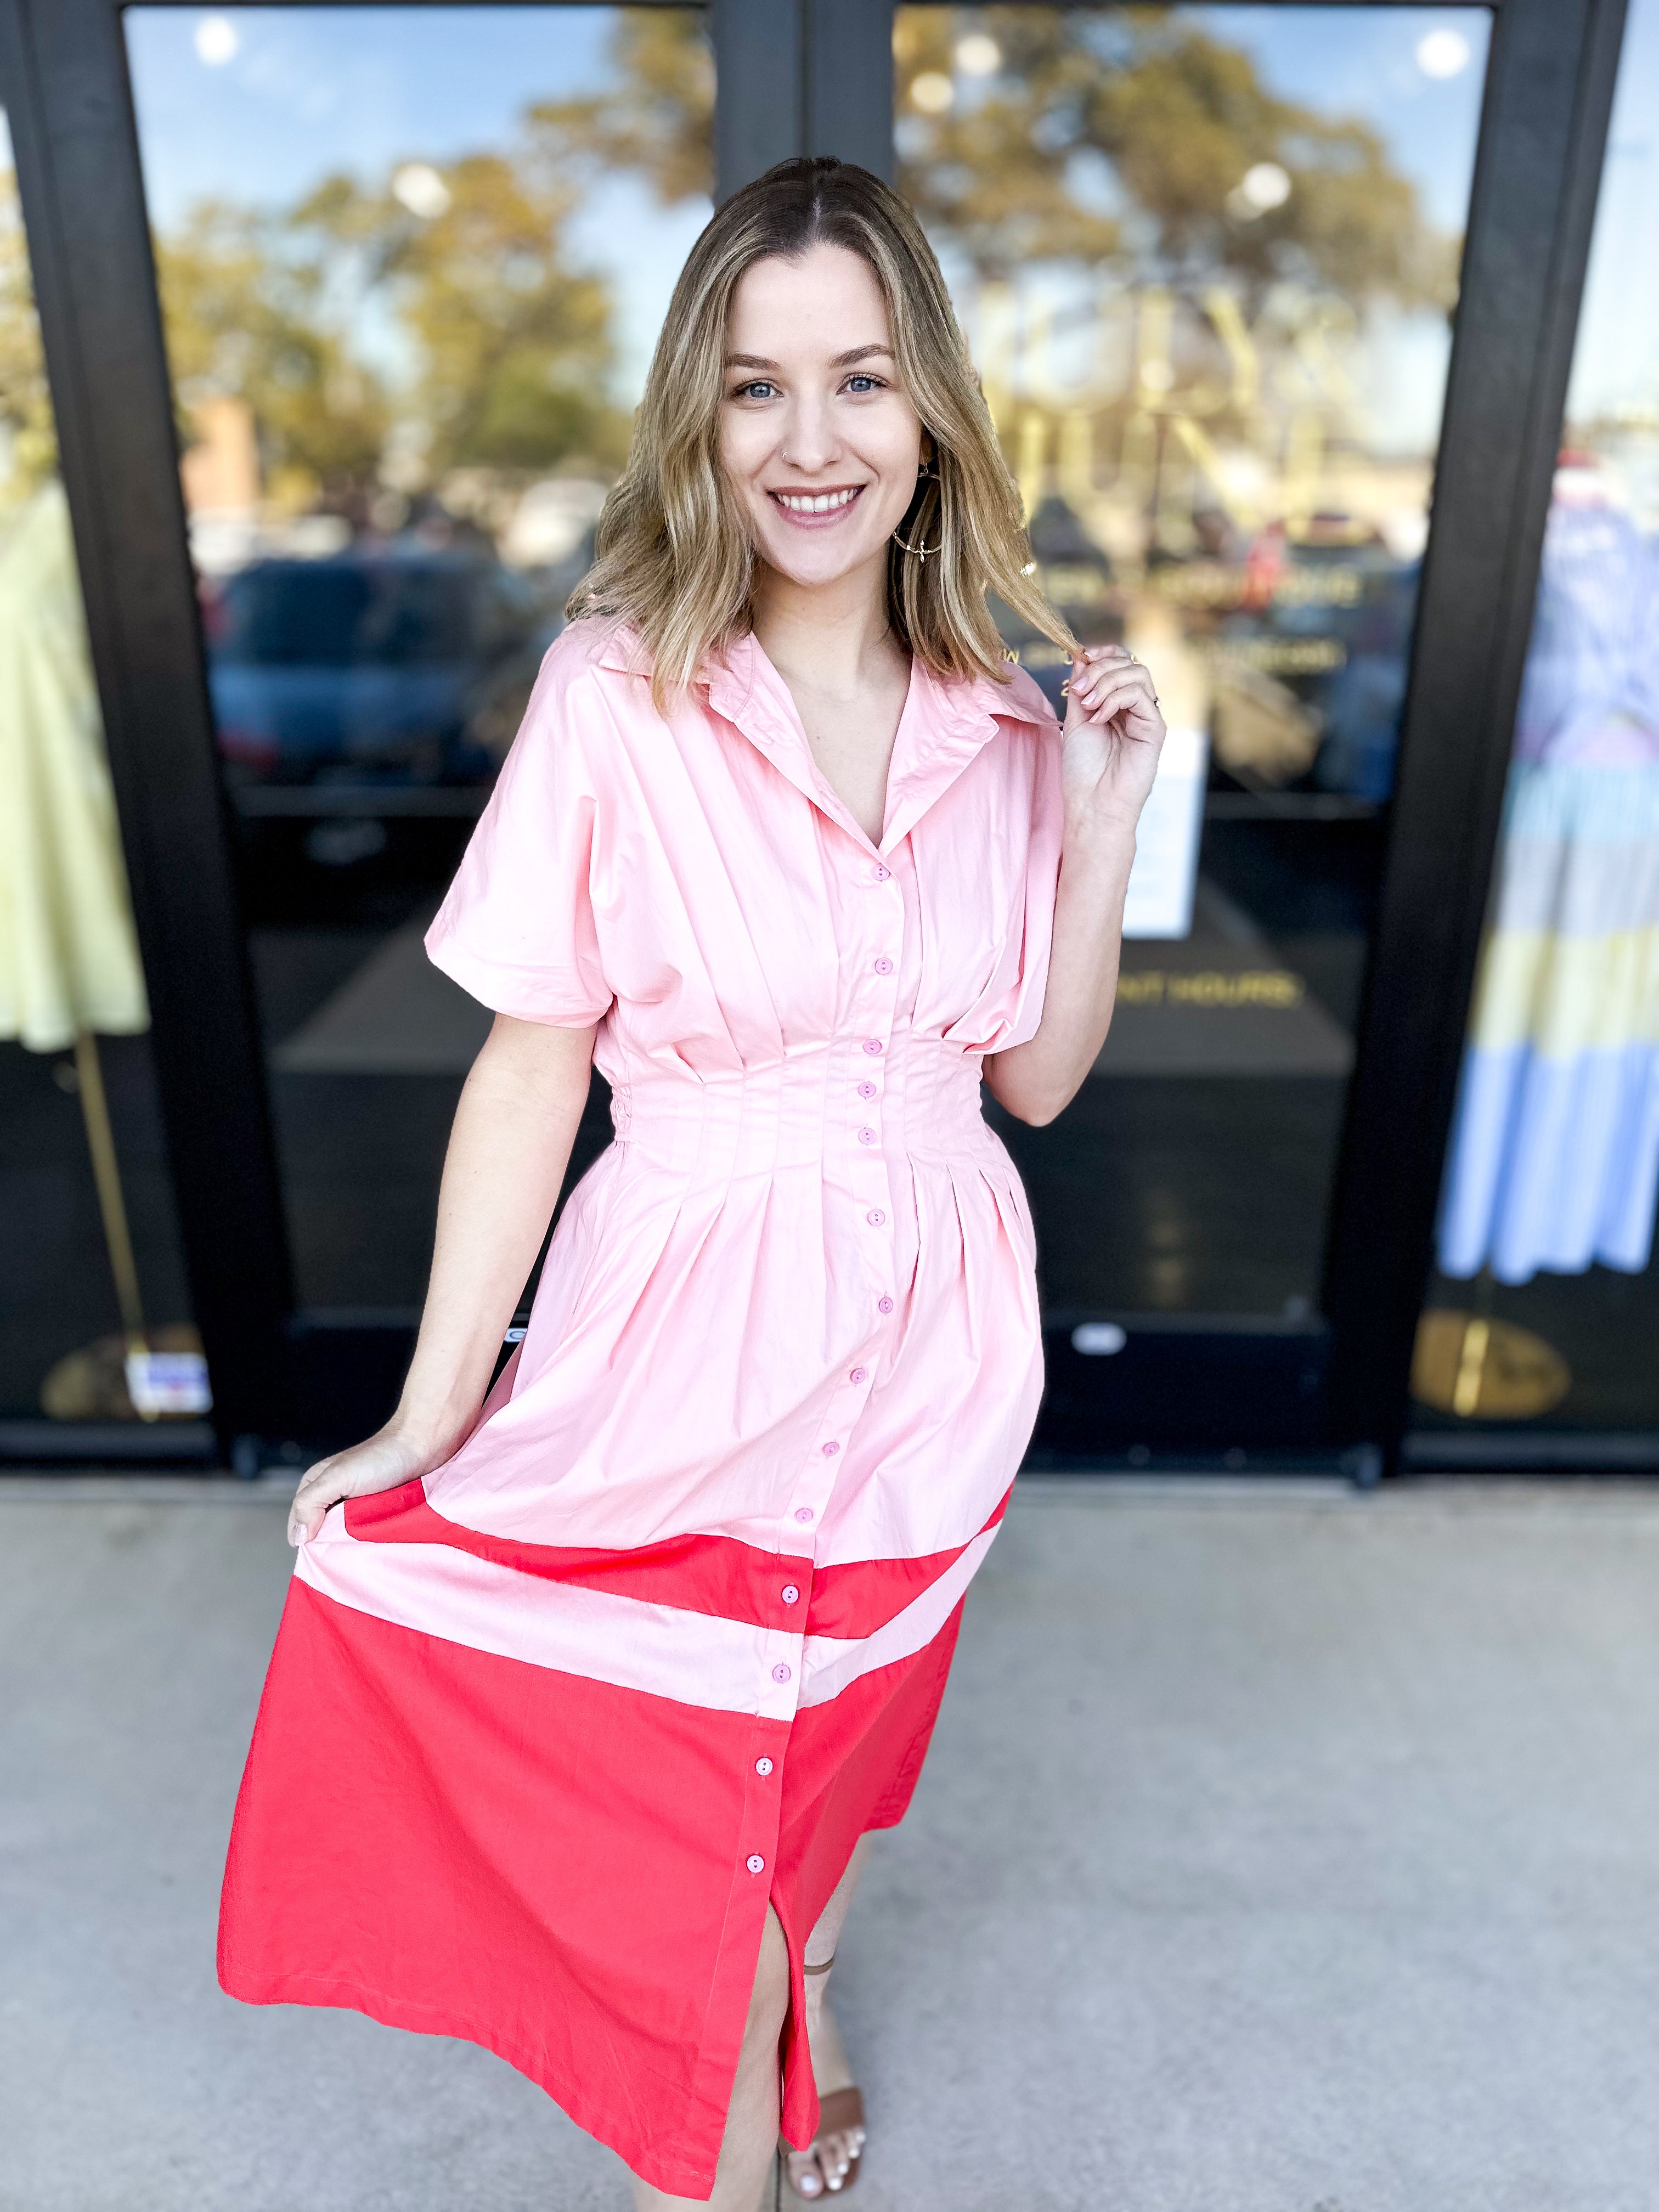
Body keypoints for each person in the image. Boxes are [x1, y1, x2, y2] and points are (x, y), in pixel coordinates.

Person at [217, 157, 1165, 2212]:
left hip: (935, 1358)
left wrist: (1096, 836)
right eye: (754, 389)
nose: (810, 443)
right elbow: (533, 1058)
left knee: (820, 1771)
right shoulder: (615, 691)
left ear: (933, 412)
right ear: (697, 415)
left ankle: (800, 1975)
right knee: (689, 1888)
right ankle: (755, 2047)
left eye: (859, 381)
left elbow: (1040, 1081)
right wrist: (430, 1408)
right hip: (687, 1339)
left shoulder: (1009, 718)